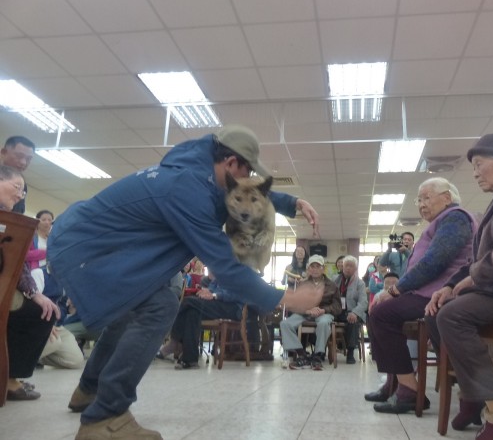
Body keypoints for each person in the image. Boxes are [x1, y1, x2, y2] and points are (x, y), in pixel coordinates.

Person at [47, 125, 323, 440]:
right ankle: (106, 416)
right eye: (247, 171)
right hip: (82, 248)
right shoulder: (187, 190)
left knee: (129, 311)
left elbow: (243, 192)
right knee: (160, 305)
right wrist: (284, 298)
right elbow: (226, 267)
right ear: (231, 163)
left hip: (86, 241)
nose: (248, 179)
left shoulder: (200, 169)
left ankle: (90, 390)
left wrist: (292, 202)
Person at [425, 133, 493, 440]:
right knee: (436, 311)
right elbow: (477, 259)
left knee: (452, 316)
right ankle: (474, 396)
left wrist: (473, 278)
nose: (474, 172)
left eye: (479, 164)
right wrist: (448, 286)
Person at [364, 177, 476, 414]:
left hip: (439, 294)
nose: (421, 204)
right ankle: (394, 383)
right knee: (376, 310)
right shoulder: (440, 221)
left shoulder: (455, 217)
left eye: (427, 197)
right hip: (425, 292)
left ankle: (408, 390)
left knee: (382, 314)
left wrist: (395, 290)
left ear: (447, 198)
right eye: (419, 199)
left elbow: (435, 262)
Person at [1, 165, 60, 400]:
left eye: (23, 192)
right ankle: (9, 379)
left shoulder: (11, 222)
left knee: (43, 310)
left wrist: (34, 292)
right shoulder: (11, 223)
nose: (19, 195)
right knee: (37, 313)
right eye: (17, 187)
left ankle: (10, 377)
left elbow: (16, 262)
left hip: (8, 285)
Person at [157, 281, 246, 369]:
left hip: (232, 308)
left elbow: (238, 294)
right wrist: (207, 291)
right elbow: (213, 286)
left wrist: (215, 295)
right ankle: (190, 359)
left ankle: (175, 341)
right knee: (192, 312)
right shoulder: (222, 271)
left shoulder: (239, 270)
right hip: (218, 303)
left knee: (187, 301)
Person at [281, 255, 341, 371]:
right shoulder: (302, 284)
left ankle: (318, 356)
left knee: (324, 323)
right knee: (285, 324)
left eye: (317, 266)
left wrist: (323, 310)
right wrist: (307, 310)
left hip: (324, 313)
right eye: (312, 266)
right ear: (308, 269)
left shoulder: (332, 285)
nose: (315, 269)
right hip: (305, 313)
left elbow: (337, 307)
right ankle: (302, 355)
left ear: (323, 268)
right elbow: (296, 304)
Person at [332, 255, 369, 364]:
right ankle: (322, 352)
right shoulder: (335, 280)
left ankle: (351, 352)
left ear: (355, 269)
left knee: (352, 321)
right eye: (346, 265)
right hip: (337, 311)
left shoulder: (360, 283)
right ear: (342, 267)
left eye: (351, 266)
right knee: (325, 319)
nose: (348, 268)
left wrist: (355, 313)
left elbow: (363, 302)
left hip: (352, 311)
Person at [0, 136, 35, 214]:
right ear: (3, 152)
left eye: (28, 159)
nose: (23, 162)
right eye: (19, 156)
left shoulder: (23, 187)